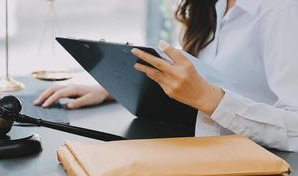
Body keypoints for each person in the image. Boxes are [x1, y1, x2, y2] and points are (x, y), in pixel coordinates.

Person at [34, 0, 298, 151]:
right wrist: (114, 83)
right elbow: (195, 74)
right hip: (196, 147)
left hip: (252, 166)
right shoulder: (213, 5)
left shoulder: (283, 11)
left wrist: (212, 100)